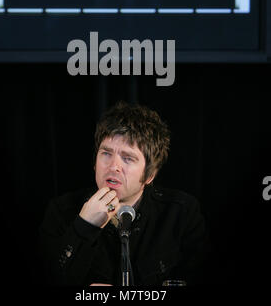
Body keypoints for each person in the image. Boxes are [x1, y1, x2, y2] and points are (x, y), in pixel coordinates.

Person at [38, 101, 211, 286]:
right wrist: (83, 227)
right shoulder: (61, 211)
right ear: (95, 161)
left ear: (149, 175)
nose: (113, 166)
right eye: (106, 153)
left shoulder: (181, 213)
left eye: (128, 158)